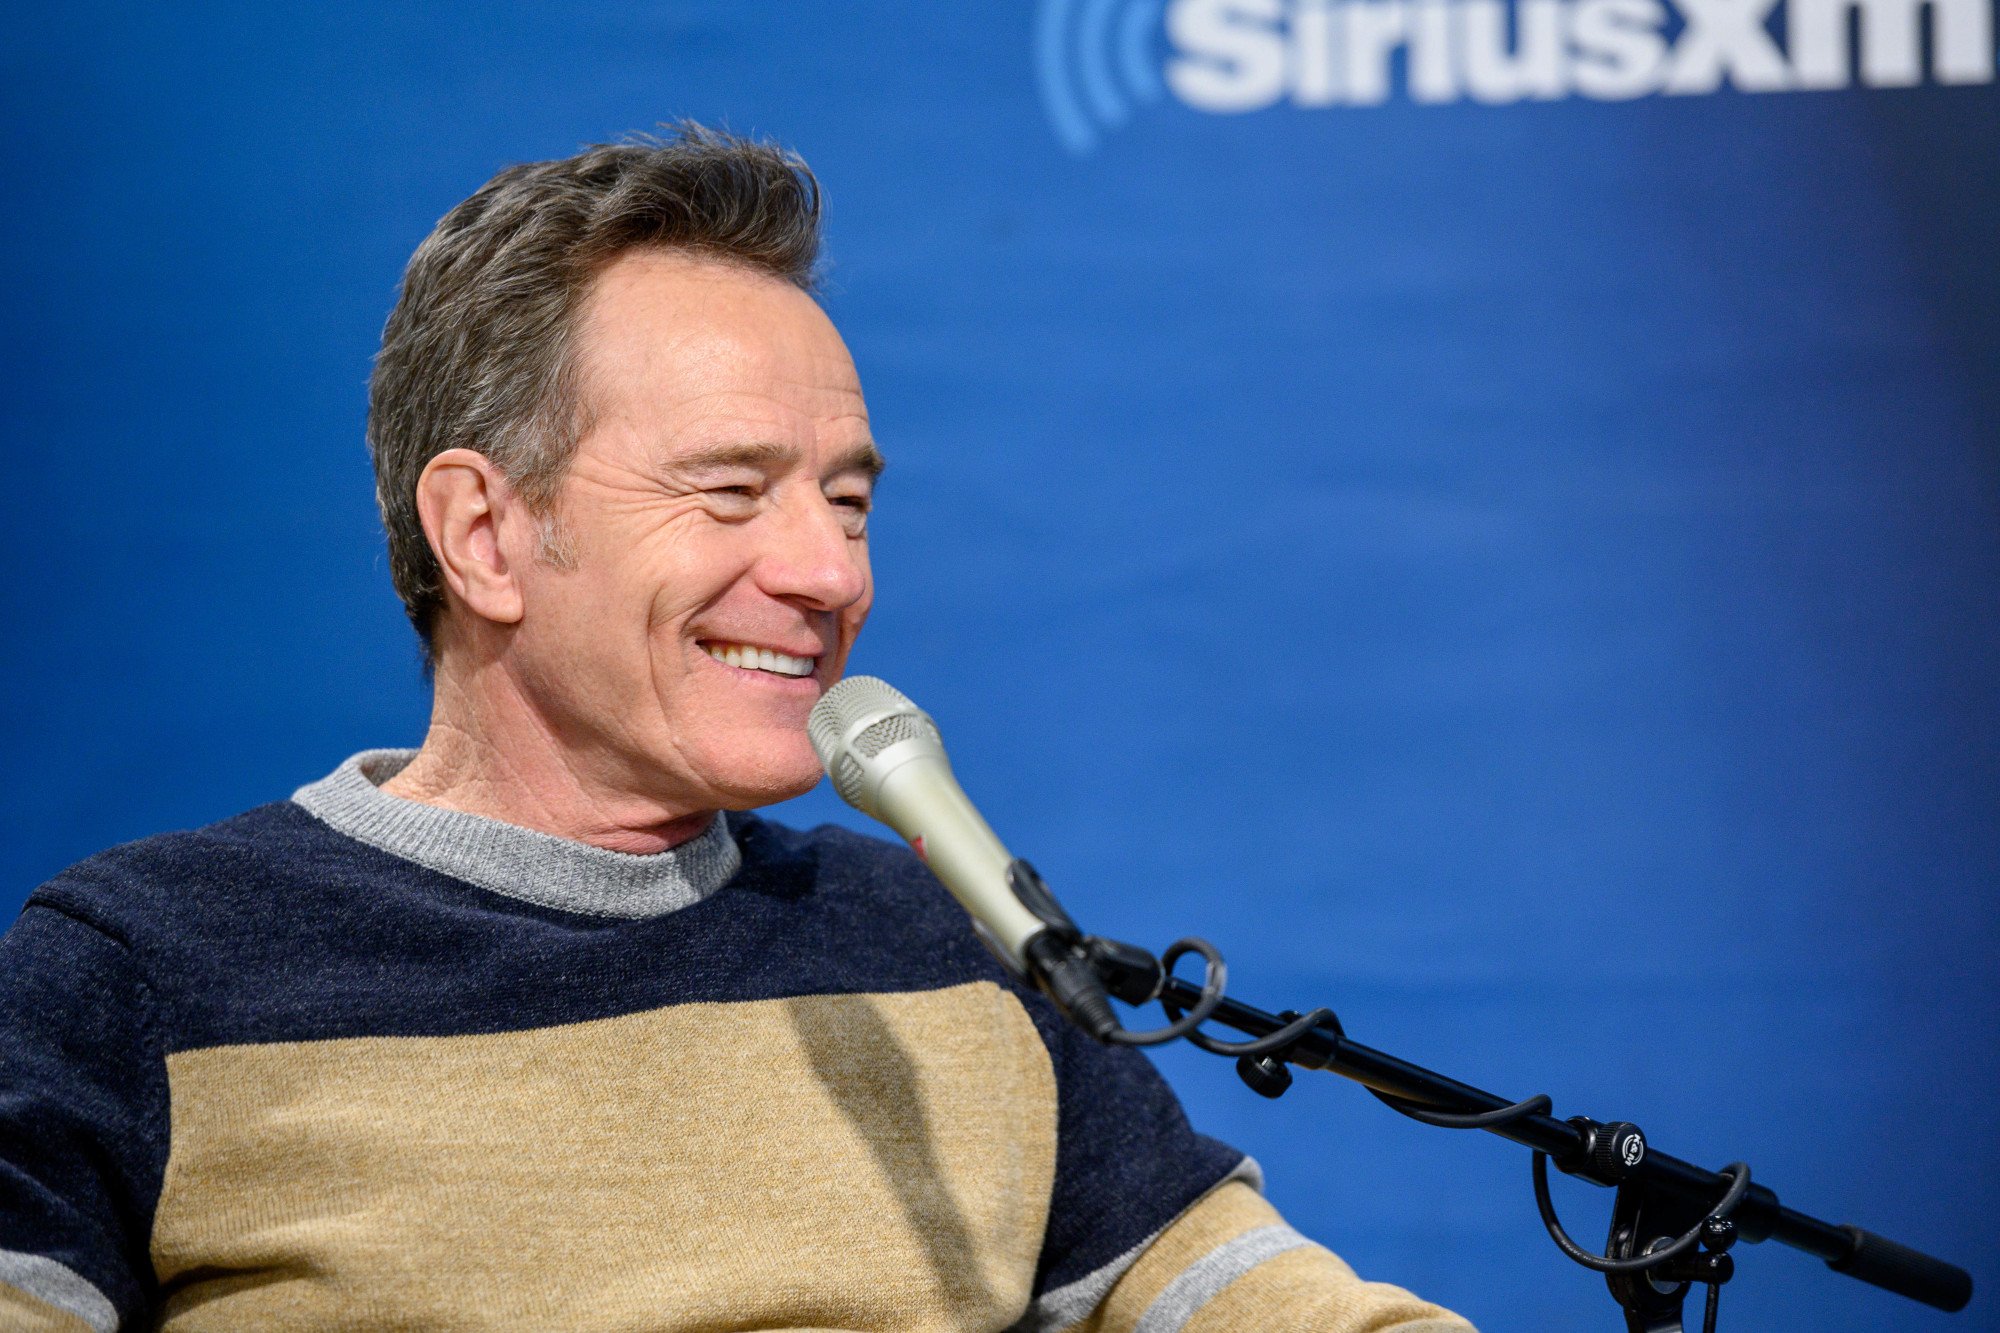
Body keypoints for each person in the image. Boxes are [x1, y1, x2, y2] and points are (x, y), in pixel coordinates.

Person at [0, 124, 1476, 1333]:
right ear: (486, 533)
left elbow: (1249, 1297)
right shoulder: (140, 971)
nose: (830, 574)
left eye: (848, 499)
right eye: (731, 489)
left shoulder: (943, 943)